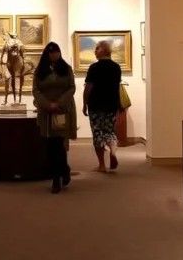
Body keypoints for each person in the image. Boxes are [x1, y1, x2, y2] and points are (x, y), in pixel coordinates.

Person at [32, 41, 77, 194]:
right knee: (50, 145)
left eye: (56, 52)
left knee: (59, 144)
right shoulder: (39, 71)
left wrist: (59, 103)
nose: (54, 54)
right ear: (47, 54)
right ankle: (64, 170)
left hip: (62, 111)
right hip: (46, 112)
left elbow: (72, 87)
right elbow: (36, 90)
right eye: (51, 52)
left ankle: (57, 178)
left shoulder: (66, 68)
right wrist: (47, 104)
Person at [83, 40, 122, 173]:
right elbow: (117, 88)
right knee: (110, 131)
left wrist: (84, 104)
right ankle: (113, 151)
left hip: (96, 104)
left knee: (98, 133)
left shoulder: (94, 68)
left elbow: (88, 87)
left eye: (97, 48)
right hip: (111, 104)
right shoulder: (116, 67)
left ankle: (101, 165)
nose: (95, 50)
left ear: (105, 50)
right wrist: (118, 105)